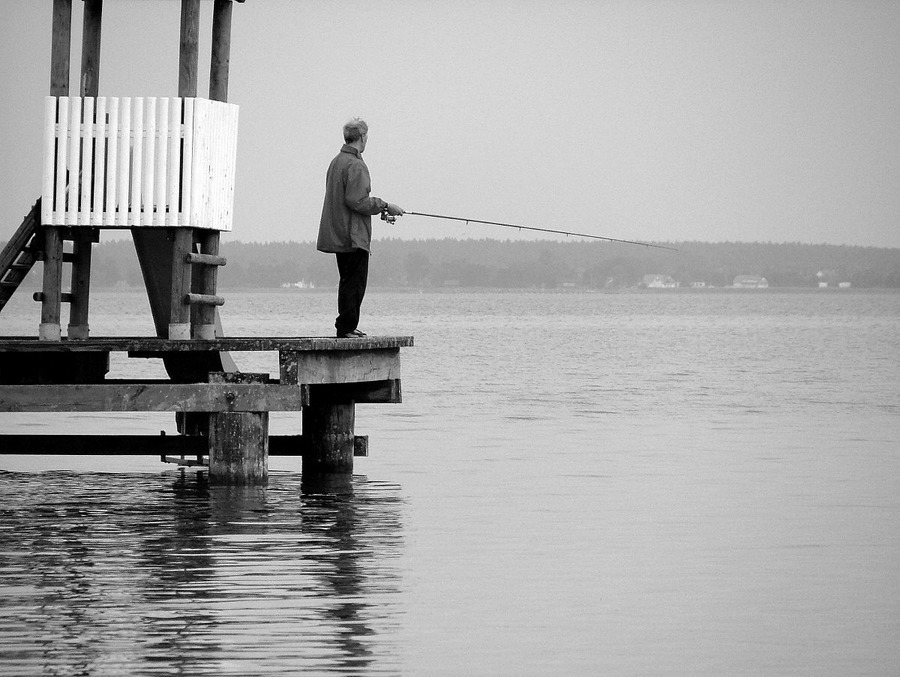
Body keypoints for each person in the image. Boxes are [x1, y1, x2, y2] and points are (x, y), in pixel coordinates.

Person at [317, 118, 404, 338]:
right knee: (354, 284)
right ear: (363, 137)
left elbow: (351, 200)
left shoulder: (336, 161)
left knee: (347, 281)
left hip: (339, 231)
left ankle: (346, 326)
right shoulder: (355, 164)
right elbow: (357, 201)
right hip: (353, 236)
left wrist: (379, 209)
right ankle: (346, 327)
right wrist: (385, 205)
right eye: (367, 137)